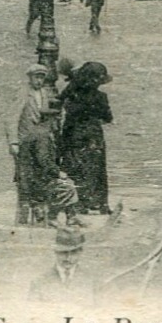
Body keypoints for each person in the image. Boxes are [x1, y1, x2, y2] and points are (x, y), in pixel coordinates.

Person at [56, 61, 114, 215]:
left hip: (72, 134)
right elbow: (107, 117)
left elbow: (59, 102)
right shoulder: (100, 97)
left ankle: (79, 202)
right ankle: (99, 203)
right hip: (93, 137)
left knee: (75, 168)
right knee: (96, 169)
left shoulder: (72, 92)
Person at [13, 65, 58, 225]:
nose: (39, 81)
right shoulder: (23, 93)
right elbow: (11, 118)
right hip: (25, 140)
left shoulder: (44, 93)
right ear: (30, 78)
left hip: (40, 140)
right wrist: (13, 142)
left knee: (40, 173)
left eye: (41, 78)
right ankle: (24, 214)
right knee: (25, 176)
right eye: (36, 77)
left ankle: (39, 209)